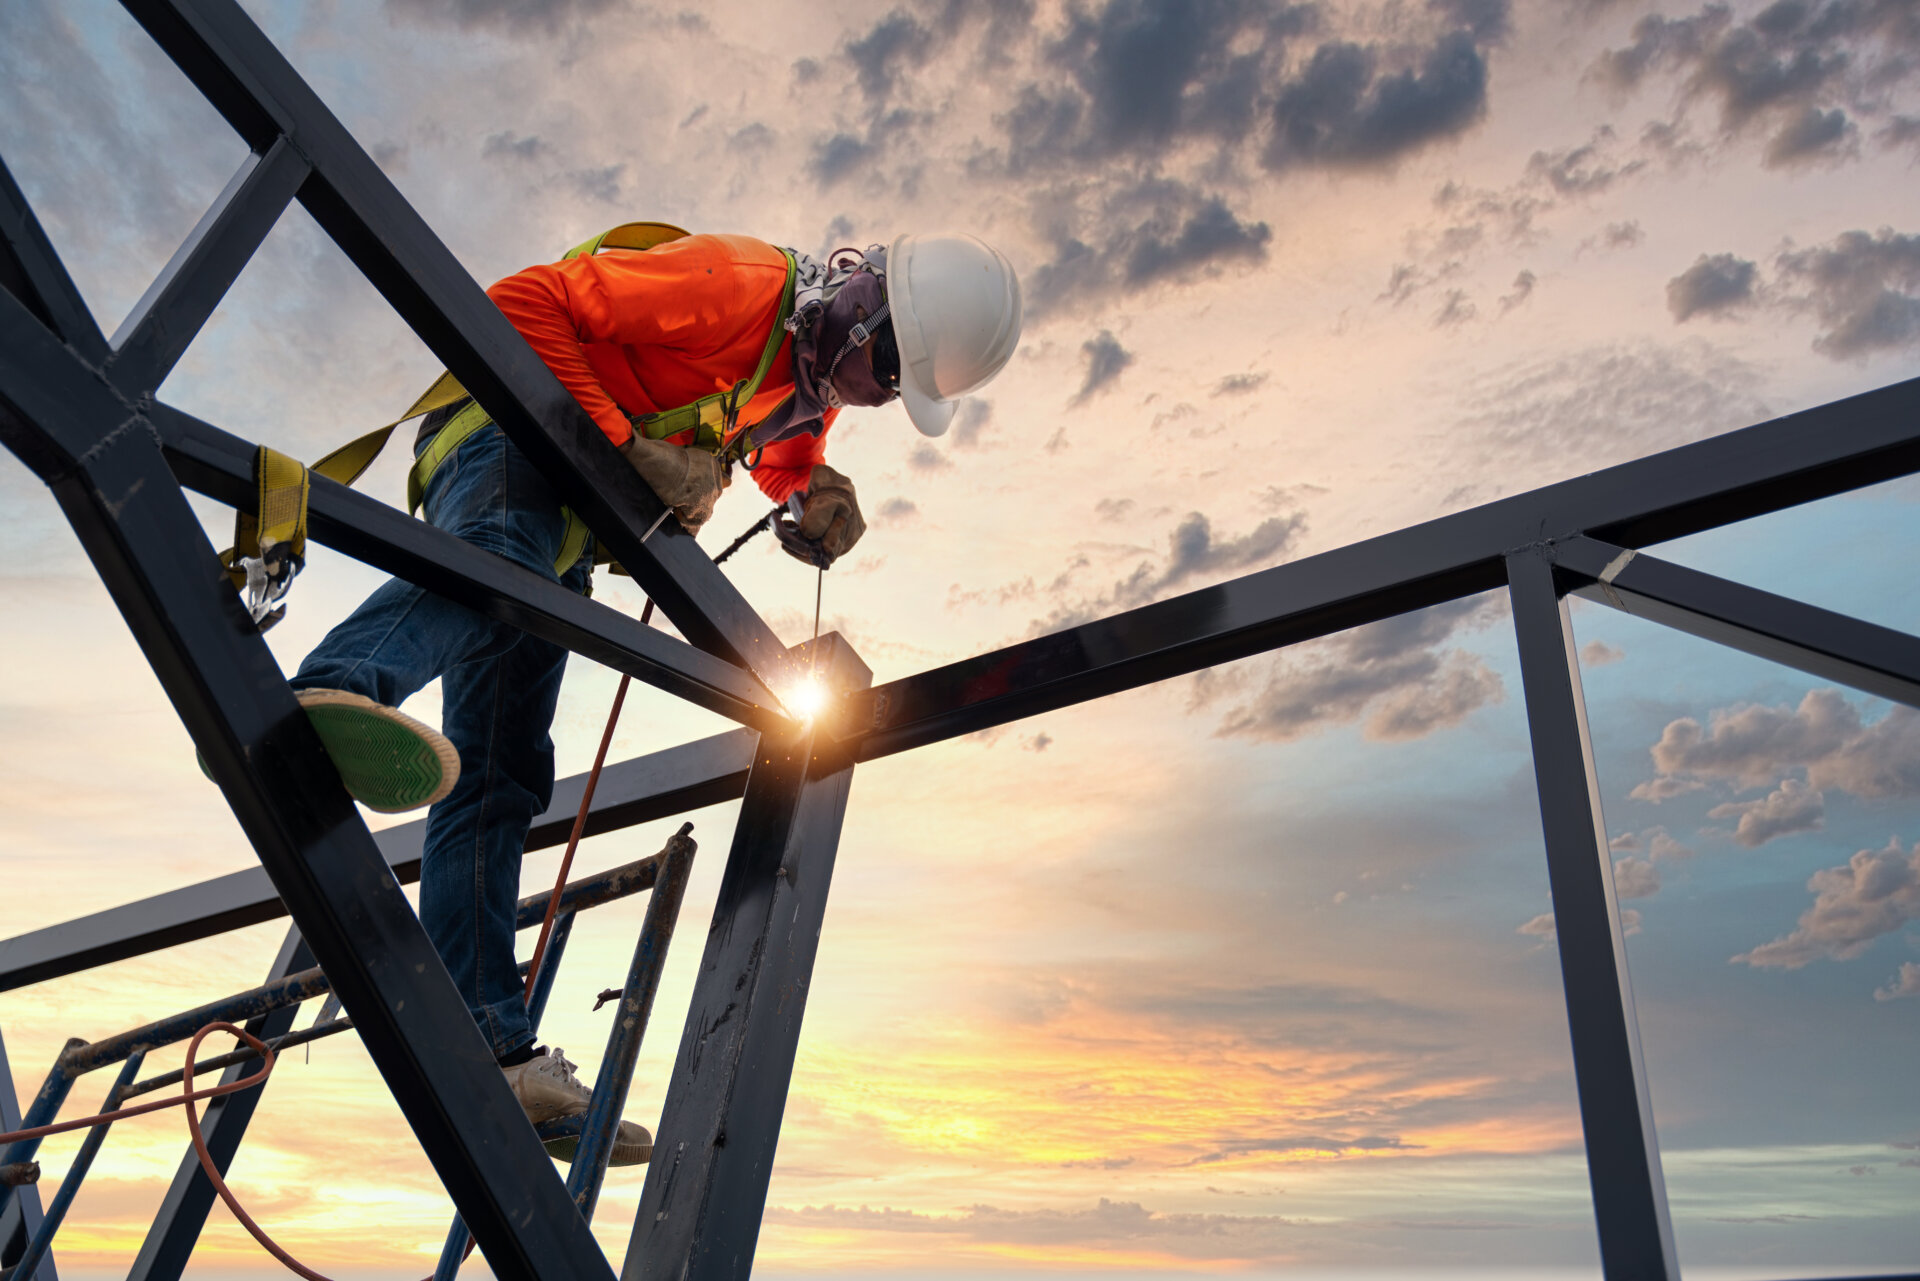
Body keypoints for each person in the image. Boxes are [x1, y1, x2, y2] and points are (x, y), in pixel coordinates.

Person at [264, 229, 1022, 1164]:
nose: (882, 392)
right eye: (894, 366)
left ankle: (492, 1048)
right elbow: (522, 301)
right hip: (500, 439)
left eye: (905, 390)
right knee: (500, 560)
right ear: (863, 308)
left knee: (501, 775)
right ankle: (332, 686)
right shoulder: (741, 285)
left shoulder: (800, 390)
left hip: (567, 524)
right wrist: (622, 445)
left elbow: (773, 455)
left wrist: (806, 492)